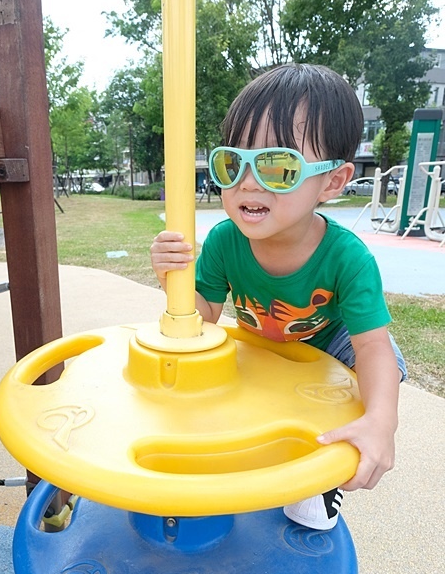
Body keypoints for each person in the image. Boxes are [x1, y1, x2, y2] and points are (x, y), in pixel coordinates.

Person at [150, 63, 406, 530]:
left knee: (372, 379)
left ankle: (318, 478)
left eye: (277, 166)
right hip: (266, 346)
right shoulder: (226, 242)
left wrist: (381, 421)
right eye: (233, 163)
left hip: (333, 348)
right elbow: (202, 317)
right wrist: (175, 281)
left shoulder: (347, 259)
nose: (248, 182)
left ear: (331, 181)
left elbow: (373, 347)